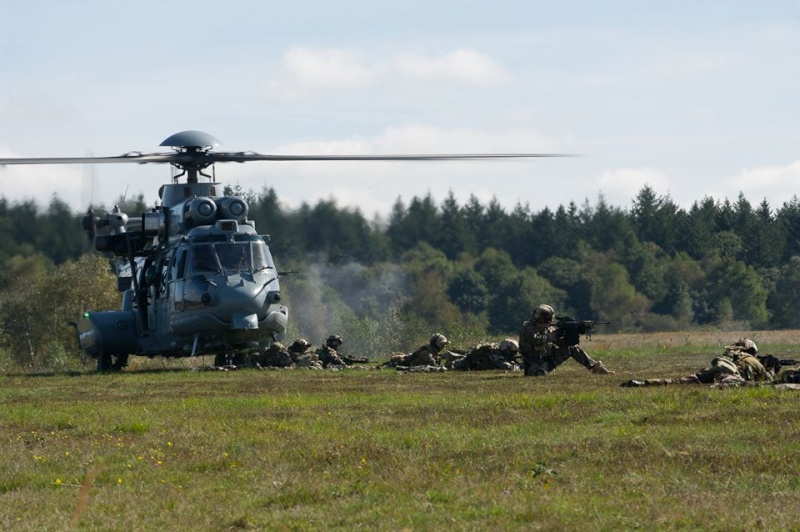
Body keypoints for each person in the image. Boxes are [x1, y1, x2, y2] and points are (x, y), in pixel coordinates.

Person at [621, 338, 771, 387]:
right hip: (729, 372)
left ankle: (643, 383)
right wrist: (770, 369)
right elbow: (768, 381)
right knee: (729, 384)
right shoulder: (751, 360)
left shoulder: (731, 353)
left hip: (716, 367)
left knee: (680, 381)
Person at [519, 304, 614, 377]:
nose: (549, 322)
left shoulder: (548, 328)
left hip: (548, 360)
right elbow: (538, 341)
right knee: (539, 375)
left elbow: (558, 343)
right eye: (546, 320)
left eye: (549, 320)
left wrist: (574, 330)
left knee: (572, 348)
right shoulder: (528, 329)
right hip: (533, 364)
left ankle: (595, 368)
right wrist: (555, 334)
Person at [383, 333, 450, 369]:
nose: (444, 346)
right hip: (399, 362)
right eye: (443, 344)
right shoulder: (427, 354)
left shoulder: (430, 351)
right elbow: (434, 366)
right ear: (439, 344)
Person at [450, 339, 520, 371]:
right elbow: (506, 366)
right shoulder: (496, 355)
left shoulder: (497, 352)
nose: (513, 355)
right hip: (462, 365)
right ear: (506, 350)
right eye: (512, 352)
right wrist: (517, 367)